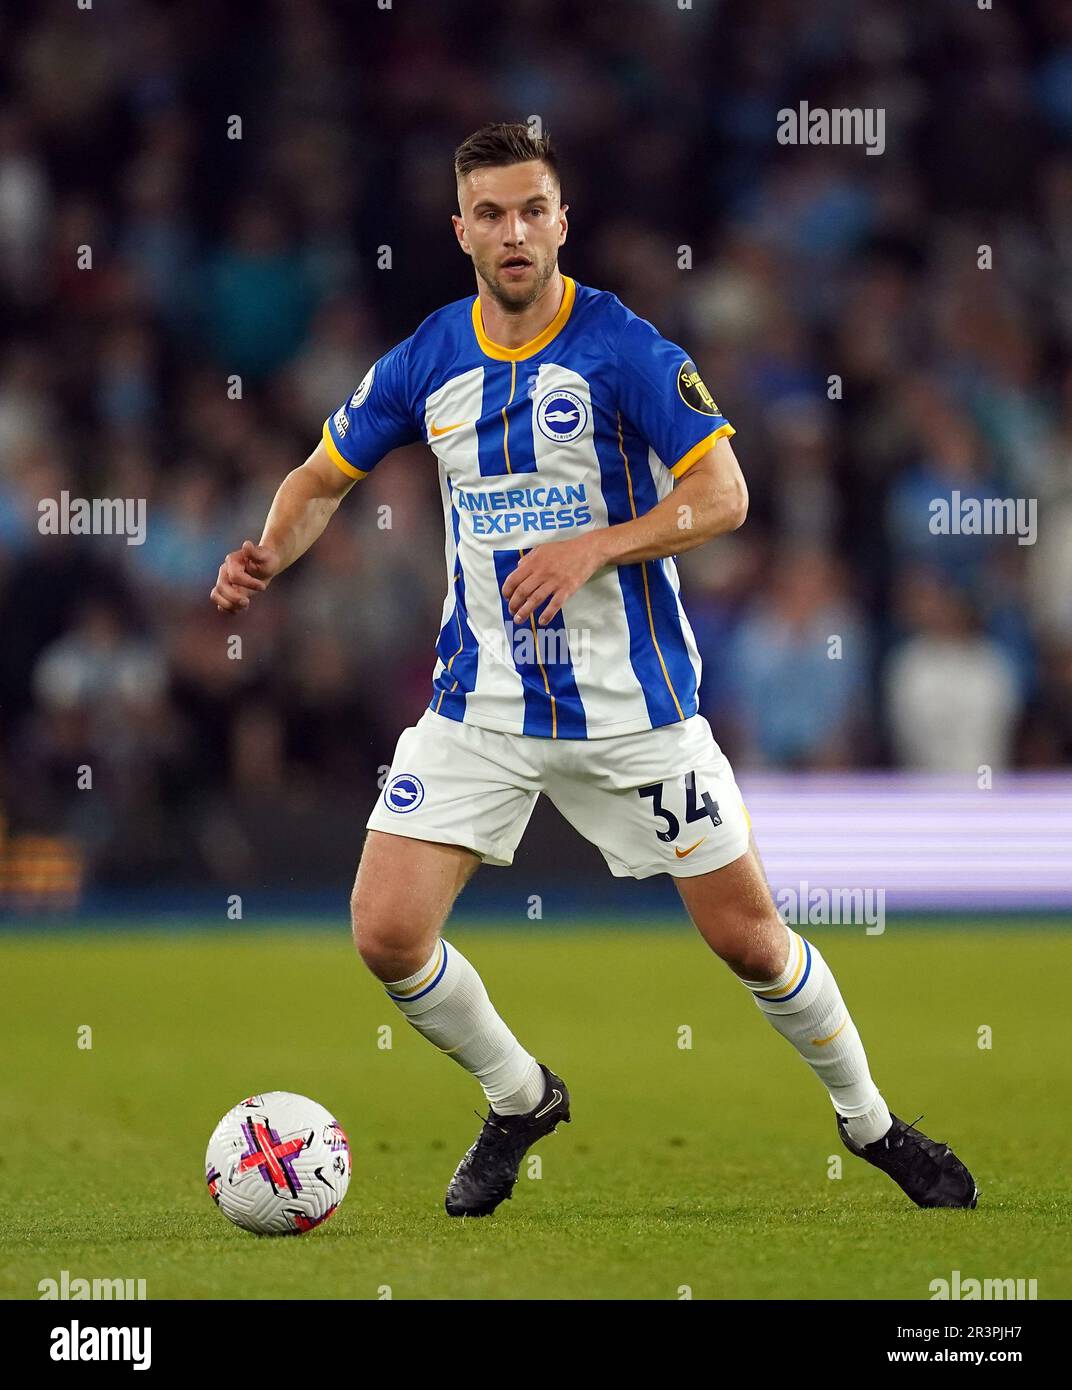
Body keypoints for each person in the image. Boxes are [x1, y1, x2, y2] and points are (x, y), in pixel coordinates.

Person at [210, 123, 976, 1217]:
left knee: (750, 941)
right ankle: (517, 1096)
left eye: (533, 210)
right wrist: (267, 552)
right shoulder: (428, 355)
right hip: (479, 704)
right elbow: (324, 473)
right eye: (491, 213)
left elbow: (725, 495)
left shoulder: (626, 350)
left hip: (633, 712)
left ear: (561, 220)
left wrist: (595, 546)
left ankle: (871, 1124)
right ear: (460, 229)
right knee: (385, 929)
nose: (514, 231)